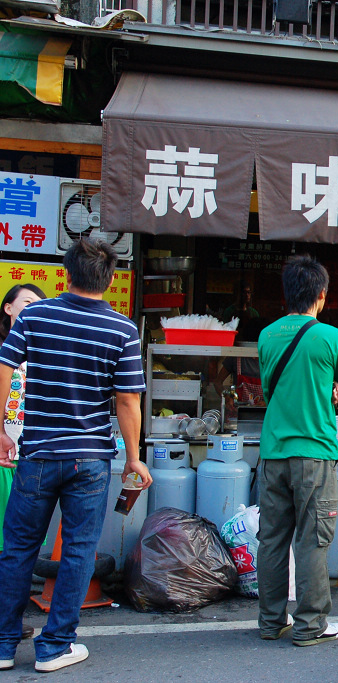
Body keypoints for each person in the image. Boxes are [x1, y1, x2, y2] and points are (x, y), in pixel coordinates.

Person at [0, 238, 150, 673]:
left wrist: (1, 431)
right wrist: (134, 457)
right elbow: (127, 402)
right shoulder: (122, 330)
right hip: (90, 459)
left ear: (67, 273)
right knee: (79, 550)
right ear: (110, 279)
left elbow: (5, 367)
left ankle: (6, 644)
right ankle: (54, 646)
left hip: (38, 453)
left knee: (18, 548)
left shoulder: (34, 316)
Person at [256, 255, 338, 646]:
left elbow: (271, 391)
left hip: (273, 452)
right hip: (314, 454)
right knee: (313, 540)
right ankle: (310, 625)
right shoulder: (332, 338)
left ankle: (270, 622)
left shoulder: (267, 335)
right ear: (321, 295)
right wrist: (334, 391)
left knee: (272, 539)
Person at [0, 284, 45, 643]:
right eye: (27, 302)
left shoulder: (41, 352)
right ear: (8, 308)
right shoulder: (3, 352)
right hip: (2, 457)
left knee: (13, 545)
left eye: (39, 304)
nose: (34, 309)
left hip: (28, 459)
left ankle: (7, 624)